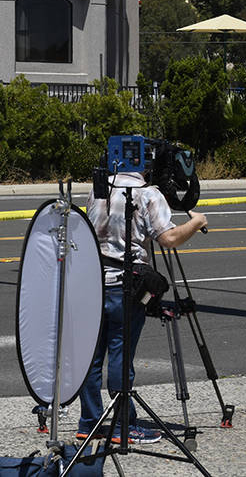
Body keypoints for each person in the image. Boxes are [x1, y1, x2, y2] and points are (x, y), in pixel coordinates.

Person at [77, 168, 207, 444]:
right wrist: (196, 222)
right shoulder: (149, 194)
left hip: (91, 283)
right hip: (126, 287)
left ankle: (90, 422)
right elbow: (169, 238)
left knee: (91, 357)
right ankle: (124, 425)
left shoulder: (98, 187)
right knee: (121, 357)